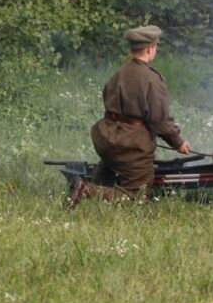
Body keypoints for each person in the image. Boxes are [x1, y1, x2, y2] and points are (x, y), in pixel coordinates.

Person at [67, 25, 192, 208]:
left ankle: (97, 184)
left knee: (113, 161)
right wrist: (178, 142)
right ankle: (86, 189)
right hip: (130, 144)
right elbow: (160, 121)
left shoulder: (119, 73)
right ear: (150, 48)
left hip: (106, 138)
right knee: (137, 196)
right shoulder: (151, 79)